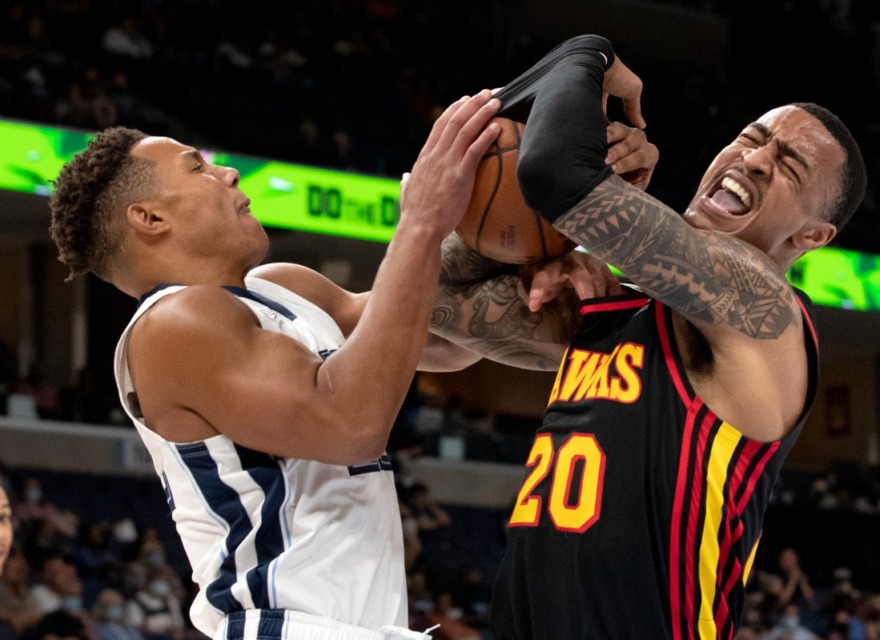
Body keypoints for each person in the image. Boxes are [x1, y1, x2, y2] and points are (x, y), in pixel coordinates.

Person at [47, 88, 644, 640]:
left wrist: (569, 222)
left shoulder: (282, 289)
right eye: (197, 166)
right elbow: (352, 424)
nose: (227, 171)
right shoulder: (173, 325)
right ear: (150, 218)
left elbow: (439, 335)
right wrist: (421, 221)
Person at [441, 34, 865, 639]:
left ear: (814, 236)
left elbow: (553, 170)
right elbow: (430, 300)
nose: (756, 159)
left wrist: (586, 55)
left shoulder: (765, 311)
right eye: (750, 138)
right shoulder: (613, 306)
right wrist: (533, 245)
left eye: (788, 166)